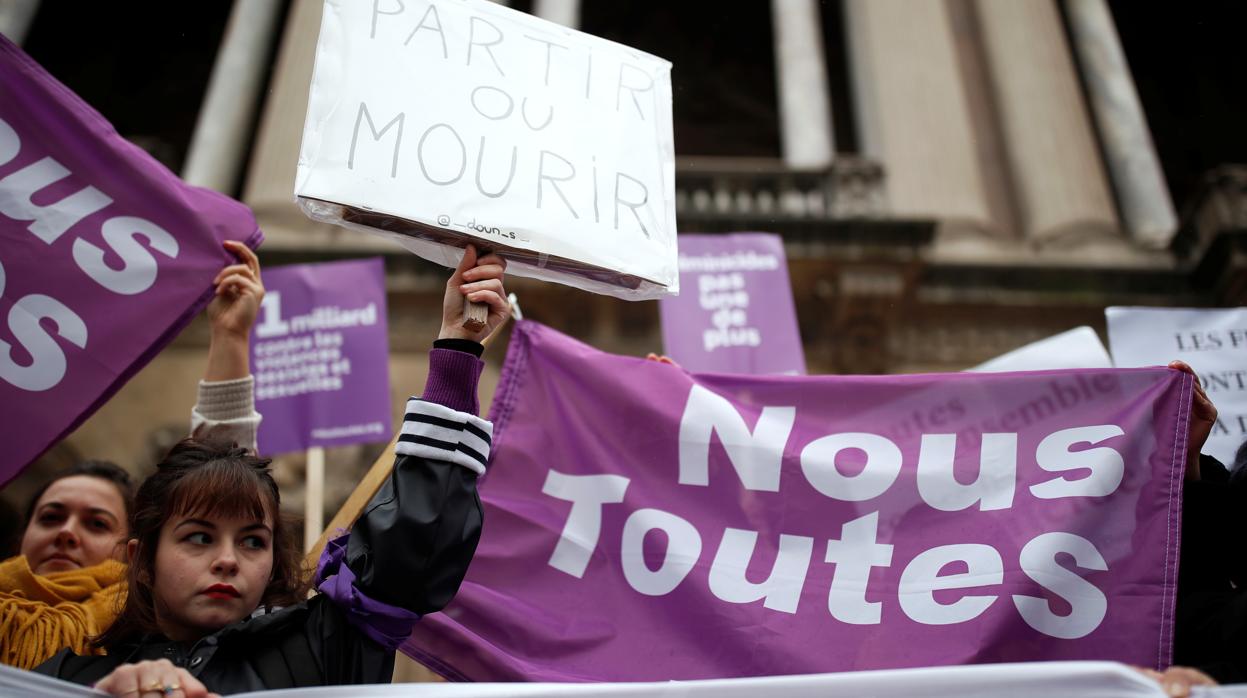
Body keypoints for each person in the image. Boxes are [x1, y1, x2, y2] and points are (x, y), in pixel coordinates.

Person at [36, 246, 510, 697]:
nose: (228, 560)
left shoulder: (322, 651)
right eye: (199, 537)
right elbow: (214, 474)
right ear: (141, 563)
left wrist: (458, 345)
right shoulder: (62, 677)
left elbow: (412, 544)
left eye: (253, 541)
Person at [0, 240, 264, 670]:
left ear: (136, 556)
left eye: (97, 523)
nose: (67, 532)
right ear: (20, 537)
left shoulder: (149, 633)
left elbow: (222, 476)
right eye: (50, 516)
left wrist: (230, 336)